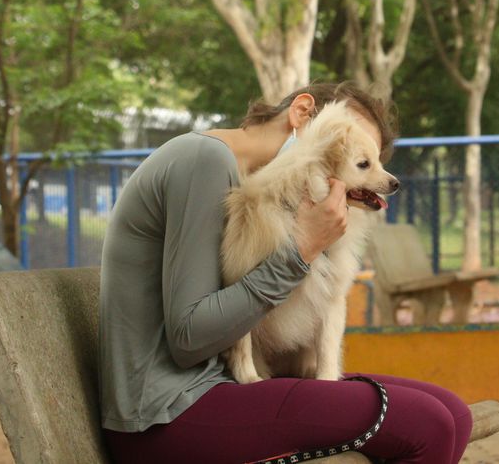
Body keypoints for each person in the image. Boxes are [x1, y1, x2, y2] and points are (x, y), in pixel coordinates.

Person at [98, 82, 472, 464]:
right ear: (302, 112)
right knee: (428, 425)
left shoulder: (241, 180)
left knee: (454, 413)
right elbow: (189, 337)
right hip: (168, 414)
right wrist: (301, 251)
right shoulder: (204, 159)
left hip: (220, 390)